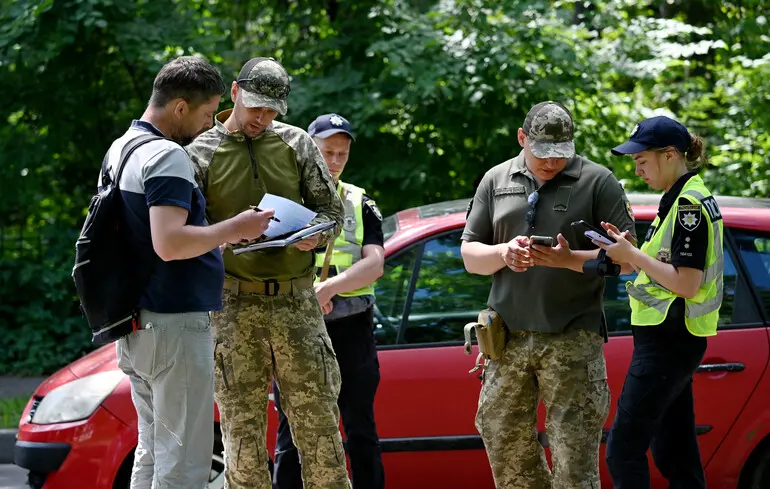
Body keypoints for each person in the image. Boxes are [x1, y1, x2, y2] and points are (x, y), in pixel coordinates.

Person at [106, 56, 275, 489]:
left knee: (152, 450)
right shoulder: (167, 156)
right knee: (184, 463)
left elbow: (150, 237)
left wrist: (215, 237)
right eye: (204, 114)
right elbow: (170, 242)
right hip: (174, 327)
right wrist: (236, 227)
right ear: (180, 107)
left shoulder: (122, 148)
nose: (206, 126)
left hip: (138, 322)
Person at [185, 57, 349, 489]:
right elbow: (183, 233)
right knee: (241, 434)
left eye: (272, 110)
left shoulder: (296, 143)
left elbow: (332, 209)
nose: (262, 118)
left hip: (297, 301)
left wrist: (316, 235)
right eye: (255, 106)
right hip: (233, 305)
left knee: (320, 430)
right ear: (235, 93)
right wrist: (226, 235)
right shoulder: (199, 152)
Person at [460, 101, 637, 489]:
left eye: (560, 155)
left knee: (574, 459)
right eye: (542, 154)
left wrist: (568, 259)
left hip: (572, 336)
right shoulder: (496, 179)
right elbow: (471, 255)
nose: (551, 164)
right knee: (502, 440)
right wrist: (504, 253)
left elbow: (629, 261)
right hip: (507, 339)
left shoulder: (598, 181)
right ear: (522, 139)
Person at [600, 116, 723, 489]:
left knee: (623, 450)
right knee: (676, 451)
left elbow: (687, 284)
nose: (637, 171)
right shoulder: (677, 200)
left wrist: (634, 257)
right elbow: (665, 266)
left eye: (642, 161)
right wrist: (629, 251)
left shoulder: (687, 206)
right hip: (671, 339)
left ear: (670, 155)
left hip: (669, 341)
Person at [272, 113, 386, 489]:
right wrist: (309, 295)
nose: (335, 161)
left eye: (342, 154)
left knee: (361, 430)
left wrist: (330, 288)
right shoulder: (285, 200)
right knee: (292, 431)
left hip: (352, 329)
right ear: (310, 151)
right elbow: (266, 261)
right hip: (298, 327)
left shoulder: (359, 201)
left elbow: (375, 264)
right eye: (327, 153)